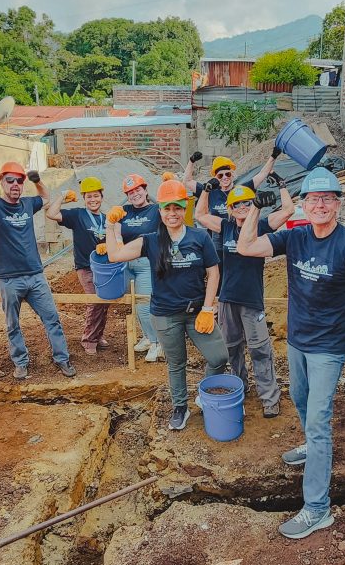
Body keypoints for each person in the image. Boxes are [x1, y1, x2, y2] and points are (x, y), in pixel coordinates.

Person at [238, 166, 345, 539]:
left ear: (337, 204)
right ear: (303, 204)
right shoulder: (296, 236)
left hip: (329, 347)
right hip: (297, 340)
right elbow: (246, 247)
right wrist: (255, 209)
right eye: (313, 199)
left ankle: (318, 509)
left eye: (327, 199)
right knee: (300, 398)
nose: (320, 205)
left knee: (320, 419)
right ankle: (310, 445)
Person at [106, 179, 228, 431]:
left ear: (185, 209)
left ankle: (203, 395)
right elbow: (114, 255)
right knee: (176, 363)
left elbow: (213, 273)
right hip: (165, 315)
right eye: (167, 209)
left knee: (219, 356)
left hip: (196, 313)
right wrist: (110, 226)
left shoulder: (199, 237)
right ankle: (180, 407)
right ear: (159, 210)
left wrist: (208, 308)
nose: (172, 214)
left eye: (177, 208)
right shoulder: (150, 241)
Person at [0, 162, 75, 380]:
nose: (15, 184)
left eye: (19, 181)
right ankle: (20, 363)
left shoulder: (27, 204)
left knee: (51, 318)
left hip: (35, 275)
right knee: (12, 324)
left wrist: (37, 181)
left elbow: (46, 199)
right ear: (1, 183)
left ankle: (62, 359)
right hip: (7, 279)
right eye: (10, 180)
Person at [196, 170, 294, 418]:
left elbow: (288, 211)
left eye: (246, 203)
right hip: (228, 298)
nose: (241, 207)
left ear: (253, 205)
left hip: (252, 300)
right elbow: (199, 215)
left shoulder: (261, 225)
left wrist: (282, 185)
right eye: (236, 204)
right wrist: (207, 190)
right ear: (229, 208)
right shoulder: (226, 226)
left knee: (260, 350)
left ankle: (269, 399)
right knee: (232, 348)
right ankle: (240, 386)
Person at [45, 176, 109, 355]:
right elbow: (51, 214)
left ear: (101, 197)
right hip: (86, 266)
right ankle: (88, 339)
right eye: (89, 196)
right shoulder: (77, 215)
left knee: (104, 302)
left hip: (104, 266)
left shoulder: (106, 218)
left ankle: (97, 335)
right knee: (94, 302)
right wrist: (62, 197)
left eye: (96, 196)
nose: (93, 200)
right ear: (84, 198)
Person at [117, 173, 162, 362]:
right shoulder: (123, 211)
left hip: (147, 263)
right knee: (137, 303)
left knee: (145, 304)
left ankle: (157, 343)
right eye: (130, 192)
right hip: (128, 263)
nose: (134, 194)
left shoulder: (156, 210)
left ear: (145, 190)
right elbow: (117, 233)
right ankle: (147, 336)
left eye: (137, 190)